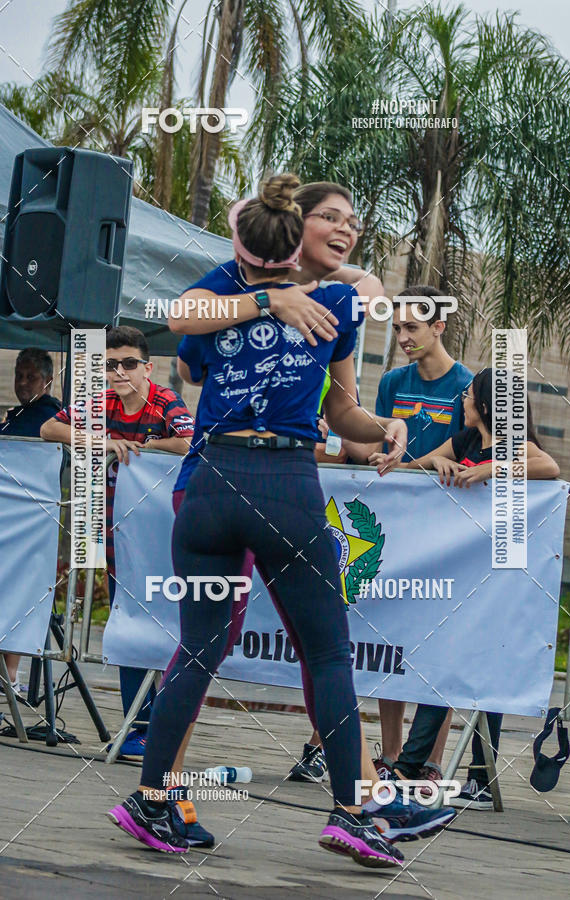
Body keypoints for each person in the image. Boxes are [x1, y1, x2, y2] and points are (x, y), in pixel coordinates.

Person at [106, 173, 424, 866]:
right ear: (296, 236)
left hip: (211, 485)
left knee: (198, 648)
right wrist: (279, 300)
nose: (345, 232)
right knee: (328, 653)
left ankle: (151, 800)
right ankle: (353, 813)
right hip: (281, 484)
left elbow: (192, 353)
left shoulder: (226, 295)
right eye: (332, 219)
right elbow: (345, 365)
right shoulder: (329, 301)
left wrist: (384, 428)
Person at [404, 368, 559, 807]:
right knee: (450, 663)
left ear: (487, 405)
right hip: (461, 575)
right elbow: (411, 466)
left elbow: (550, 467)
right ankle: (424, 767)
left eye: (468, 395)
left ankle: (471, 774)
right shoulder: (464, 440)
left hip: (501, 577)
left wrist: (493, 468)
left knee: (483, 669)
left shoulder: (514, 445)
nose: (463, 400)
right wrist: (437, 463)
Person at [40, 326, 194, 756]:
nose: (119, 371)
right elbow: (50, 429)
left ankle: (163, 731)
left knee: (168, 631)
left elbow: (189, 441)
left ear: (148, 367)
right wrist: (105, 441)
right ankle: (138, 729)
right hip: (116, 537)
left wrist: (139, 445)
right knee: (129, 627)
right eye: (110, 364)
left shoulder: (165, 400)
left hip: (164, 538)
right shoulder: (101, 401)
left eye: (129, 363)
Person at [366, 288, 472, 790]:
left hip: (449, 533)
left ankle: (430, 759)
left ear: (439, 326)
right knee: (392, 638)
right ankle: (390, 754)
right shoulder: (393, 382)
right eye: (397, 329)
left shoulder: (468, 385)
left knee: (437, 640)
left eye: (412, 327)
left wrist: (428, 464)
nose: (403, 338)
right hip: (397, 523)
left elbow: (471, 451)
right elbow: (375, 442)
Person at [1, 348, 62, 694]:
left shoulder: (49, 415)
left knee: (18, 592)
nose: (23, 383)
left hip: (29, 521)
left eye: (31, 377)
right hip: (9, 516)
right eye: (18, 376)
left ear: (48, 381)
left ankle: (9, 677)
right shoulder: (18, 414)